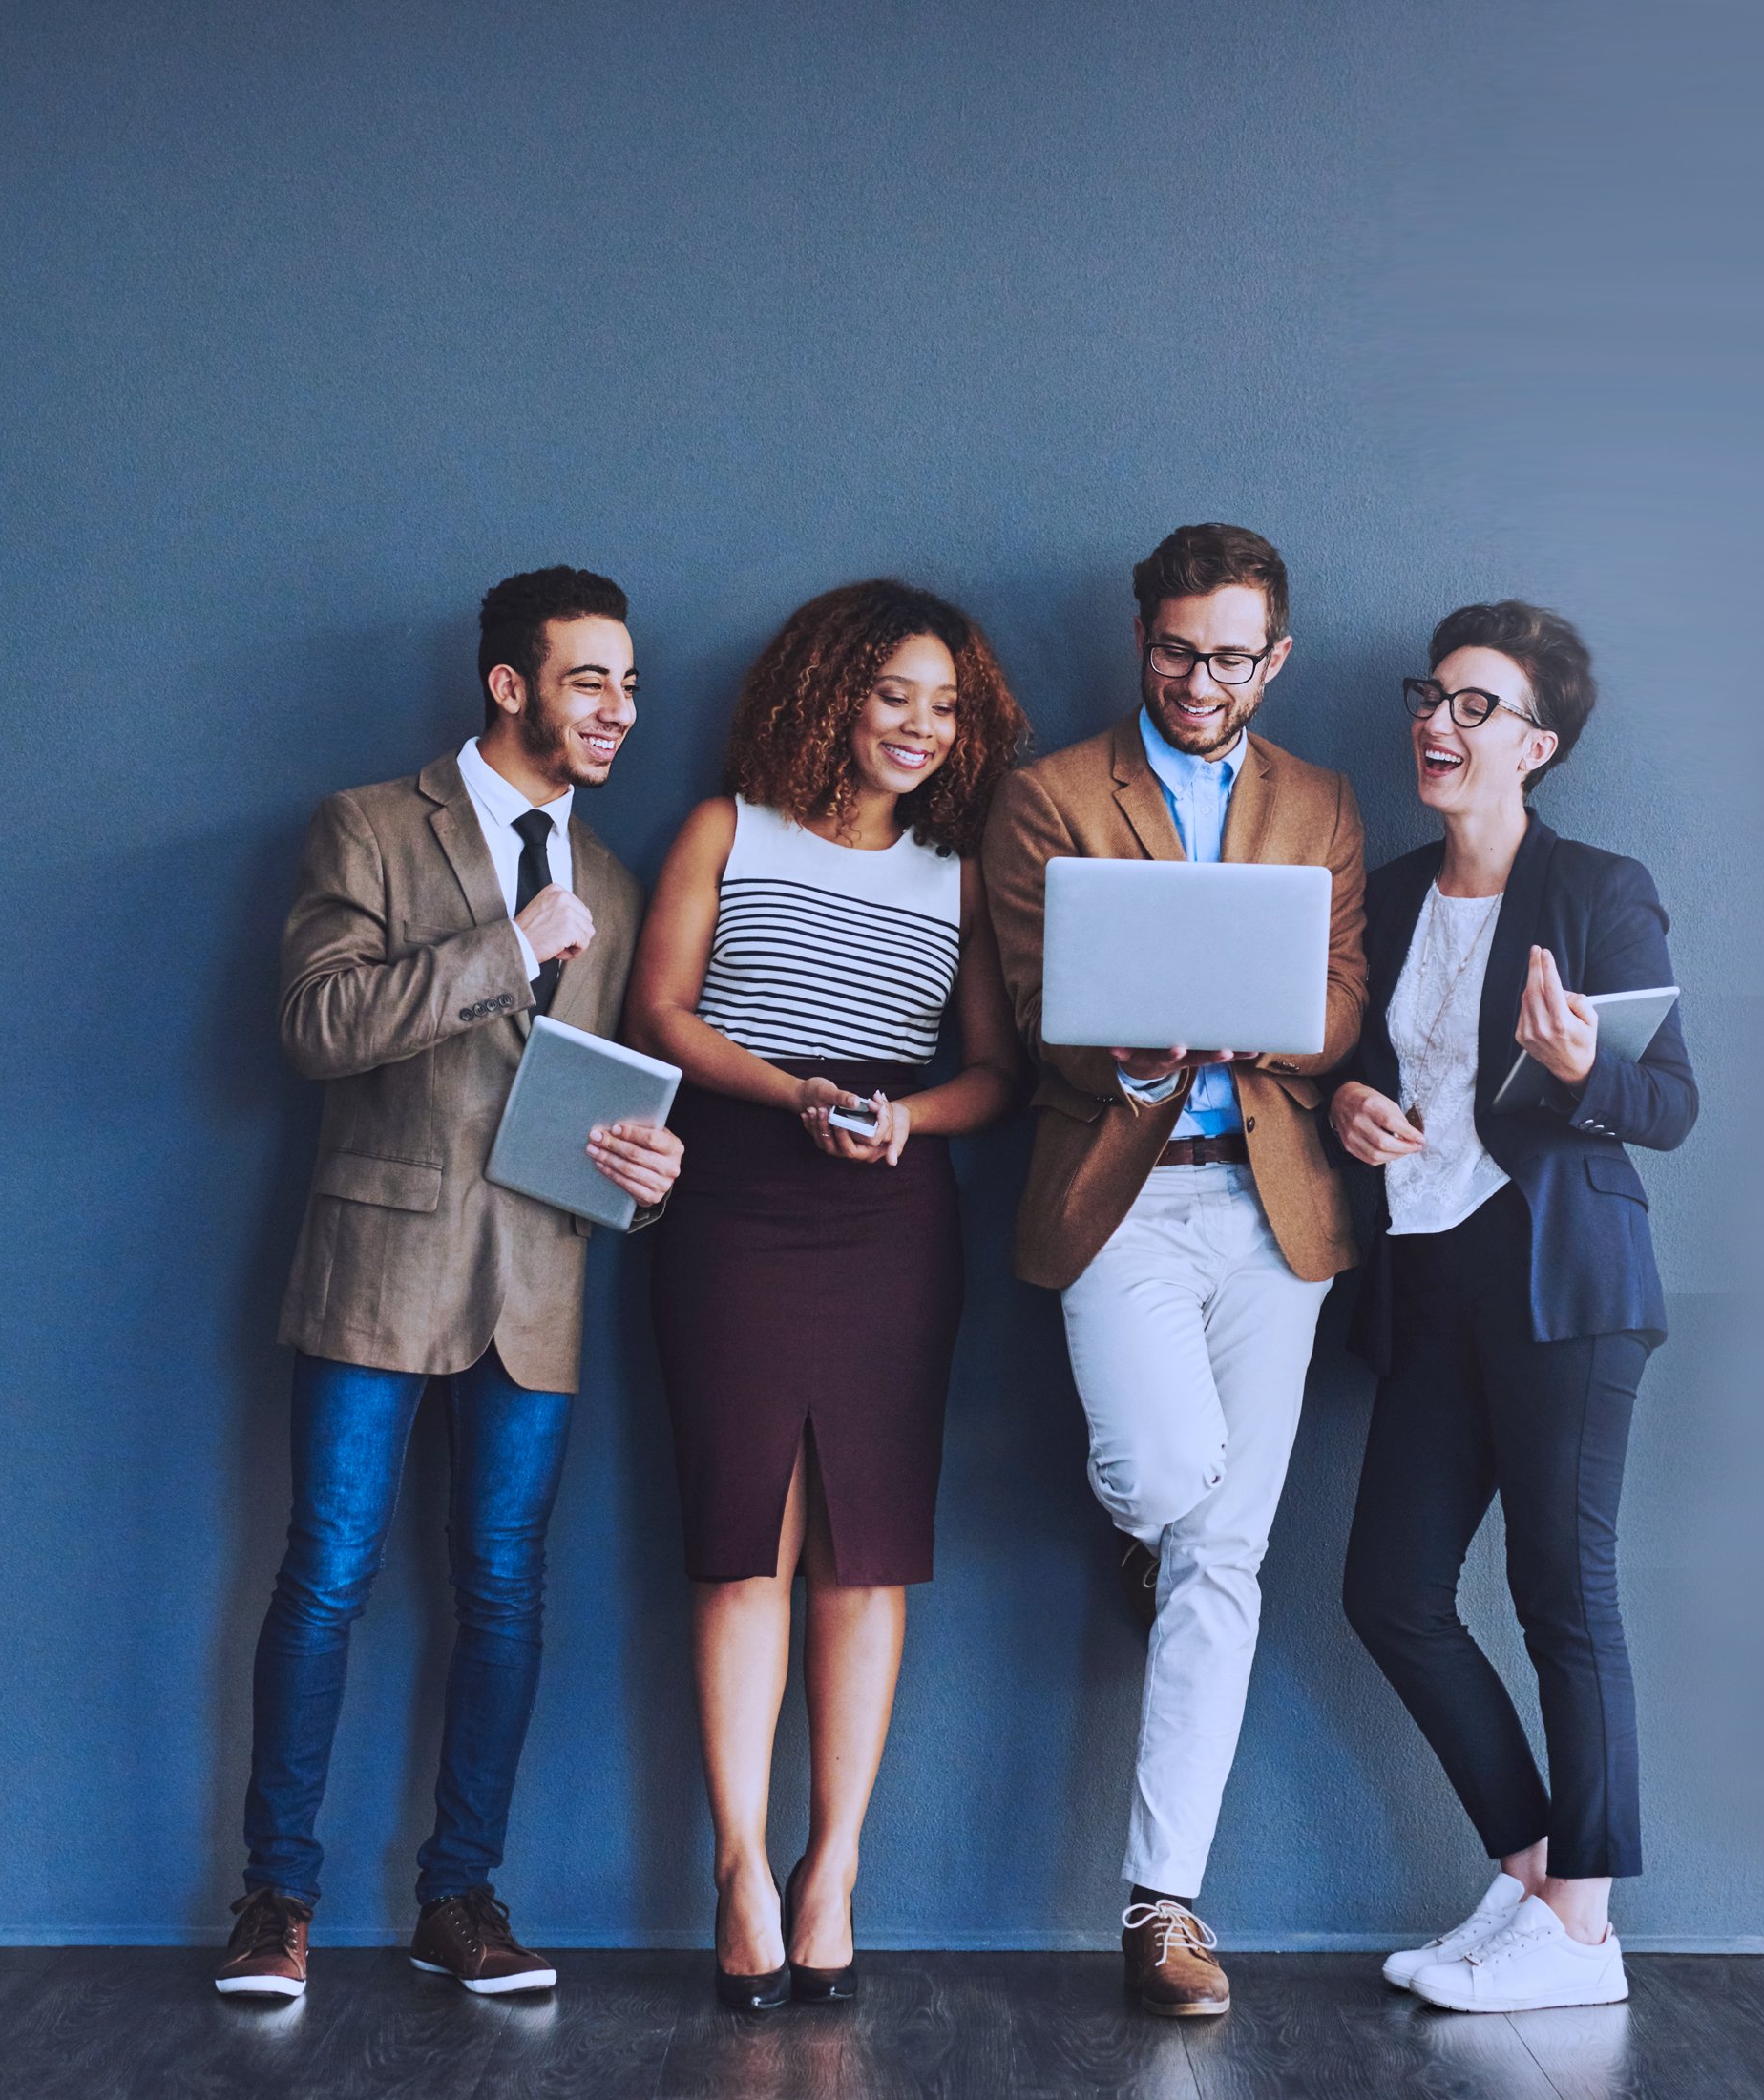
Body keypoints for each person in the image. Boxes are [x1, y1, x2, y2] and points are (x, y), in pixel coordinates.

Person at [214, 567, 684, 2001]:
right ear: (512, 684)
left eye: (629, 683)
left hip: (535, 1281)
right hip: (377, 1265)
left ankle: (461, 1899)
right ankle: (273, 1902)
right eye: (591, 679)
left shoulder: (612, 877)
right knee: (329, 1575)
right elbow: (312, 1025)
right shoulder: (368, 825)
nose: (619, 708)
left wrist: (641, 1176)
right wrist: (505, 949)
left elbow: (585, 1100)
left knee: (505, 1594)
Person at [626, 580, 1029, 2010]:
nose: (920, 726)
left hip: (889, 1210)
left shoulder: (959, 871)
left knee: (870, 1549)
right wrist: (792, 1089)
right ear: (828, 696)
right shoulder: (727, 830)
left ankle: (833, 1868)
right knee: (747, 1541)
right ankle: (738, 1866)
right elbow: (659, 1014)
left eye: (945, 704)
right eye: (893, 695)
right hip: (731, 1195)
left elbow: (993, 1072)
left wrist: (908, 1122)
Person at [982, 523, 1367, 2016]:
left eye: (1229, 656)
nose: (1198, 680)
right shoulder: (1051, 795)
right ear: (1140, 638)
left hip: (1275, 1214)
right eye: (1173, 650)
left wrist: (1244, 1024)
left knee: (1227, 1563)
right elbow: (1030, 1012)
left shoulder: (1321, 800)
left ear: (1275, 658)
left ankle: (1163, 1908)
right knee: (1166, 1482)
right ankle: (1146, 1530)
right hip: (1120, 1195)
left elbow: (1336, 1006)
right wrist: (1132, 1047)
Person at [1330, 601, 1696, 2013]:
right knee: (1390, 1592)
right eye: (1435, 696)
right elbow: (1359, 1068)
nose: (1439, 721)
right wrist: (1352, 1102)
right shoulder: (1392, 887)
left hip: (1568, 1286)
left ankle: (1587, 1934)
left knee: (1564, 1595)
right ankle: (1536, 1875)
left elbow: (1672, 1103)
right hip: (1427, 1276)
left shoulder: (1599, 888)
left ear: (1535, 746)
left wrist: (1585, 1061)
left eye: (1477, 707)